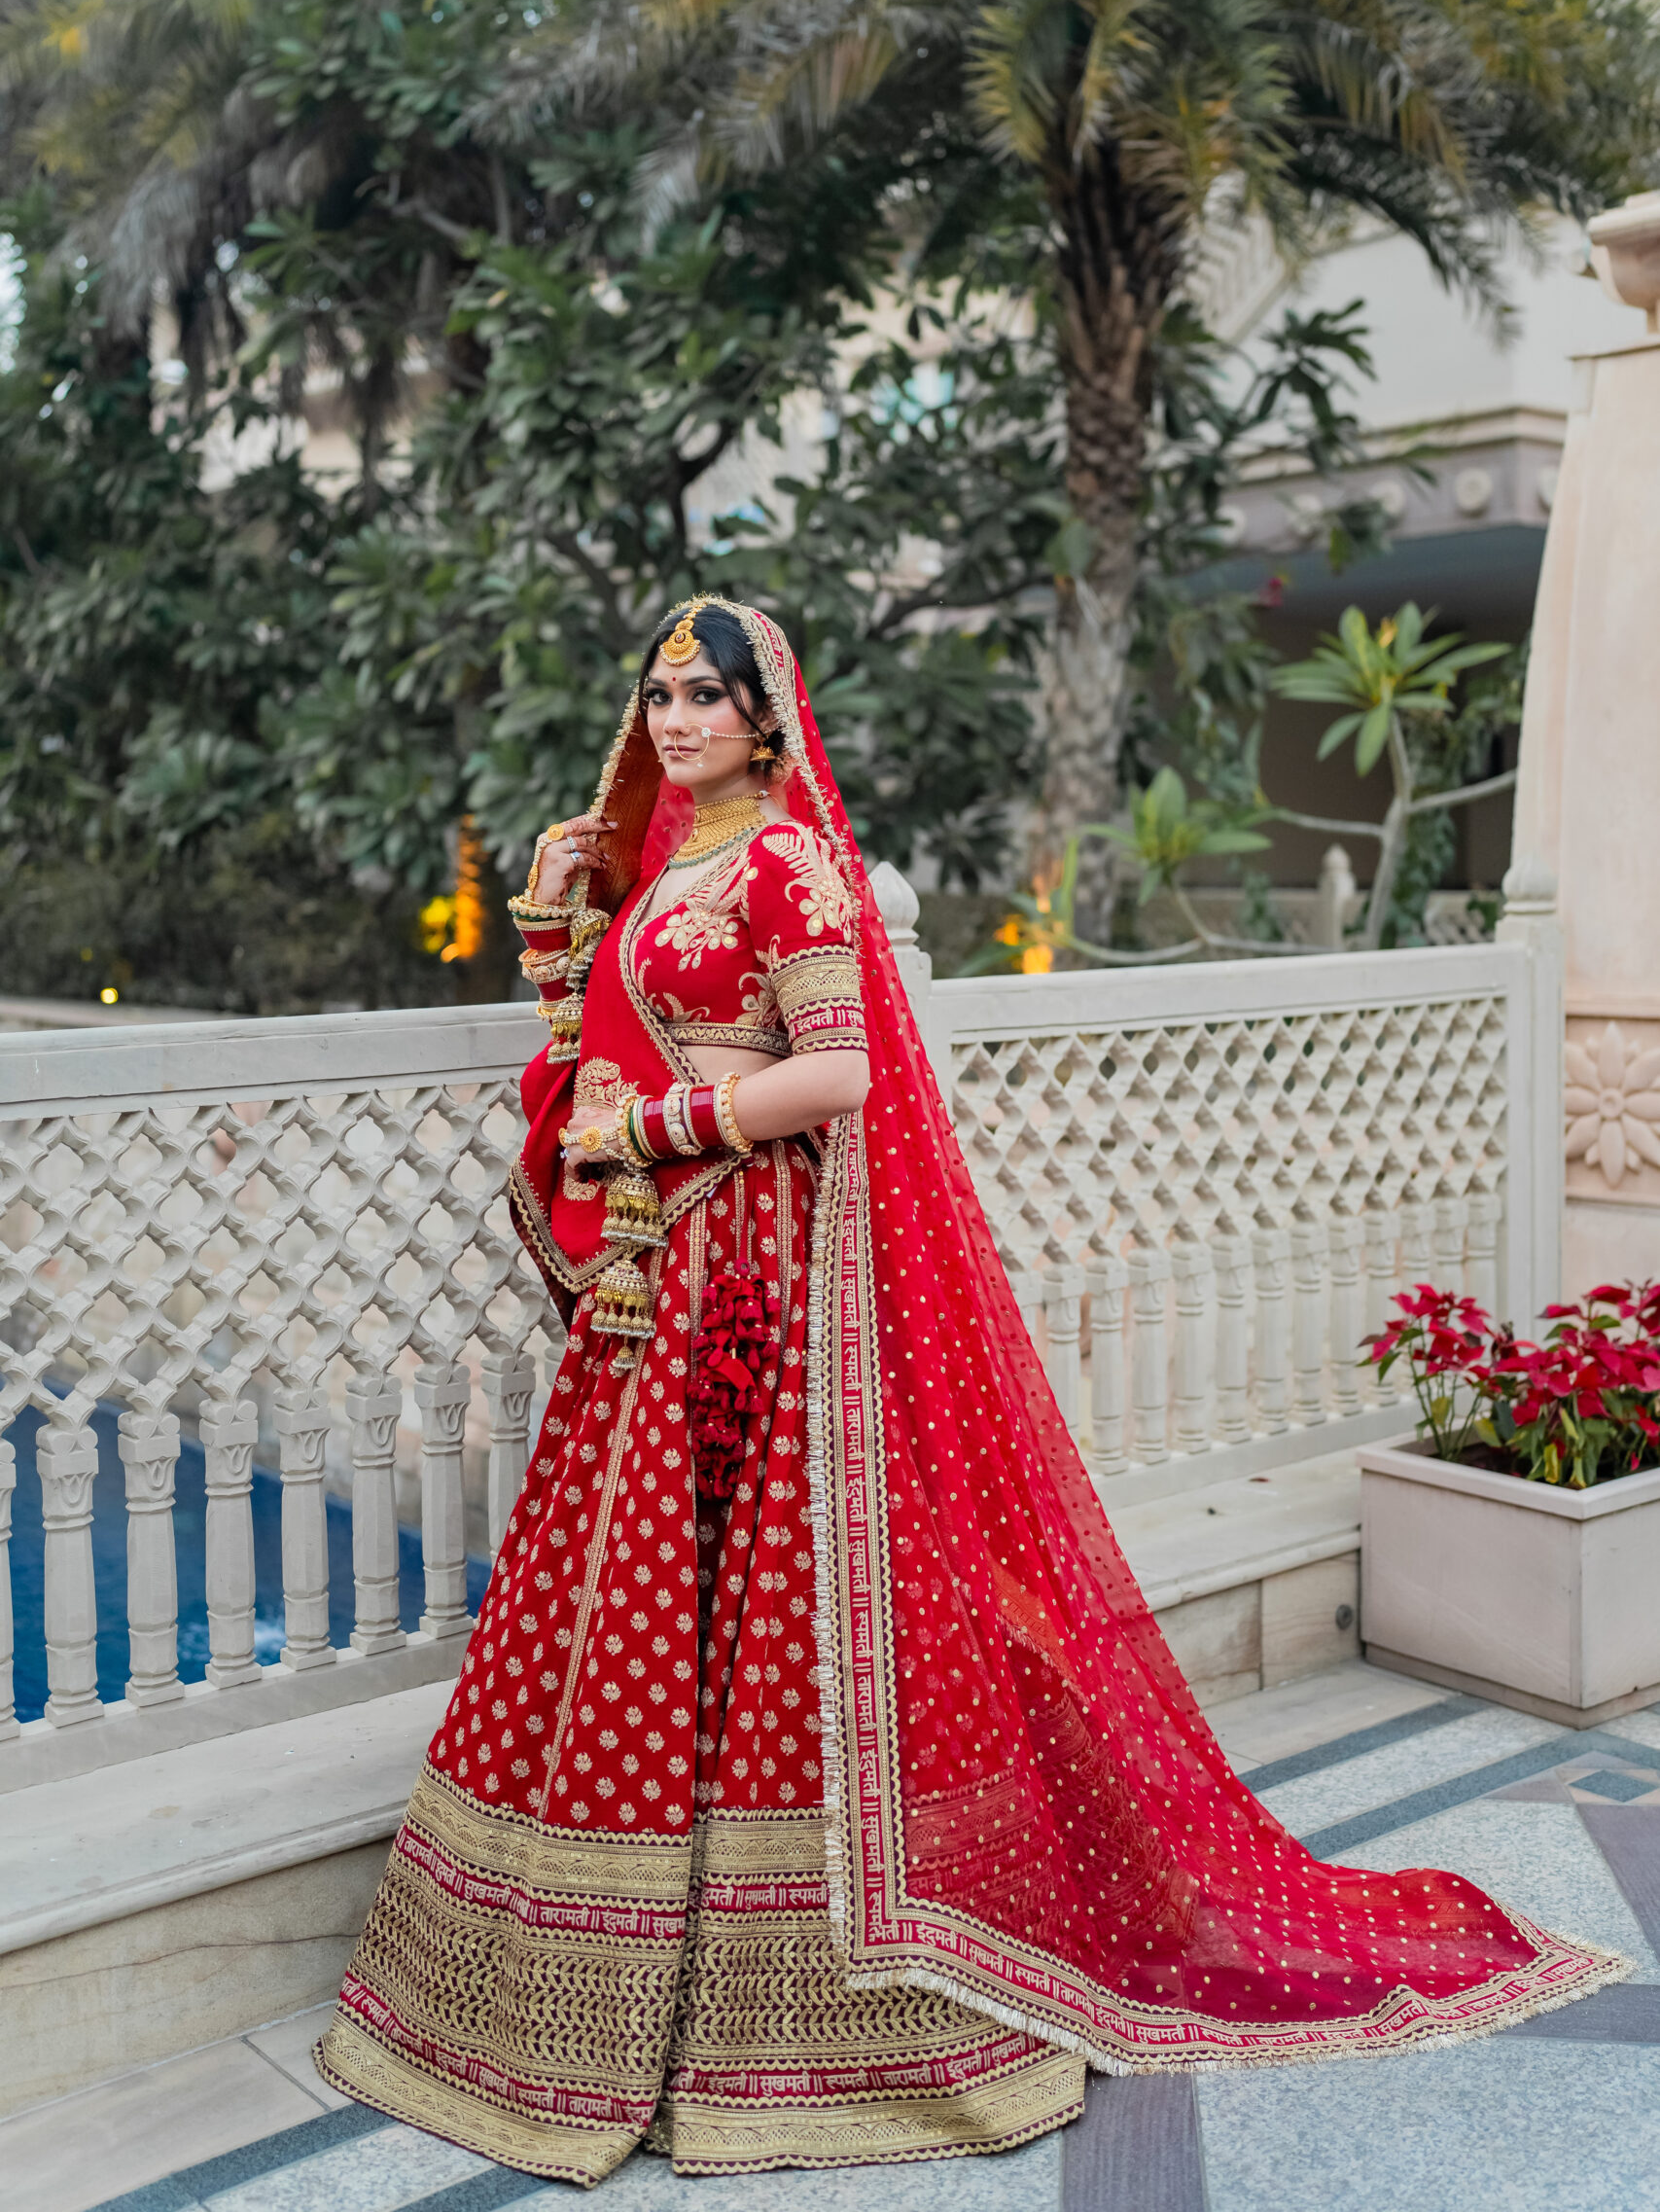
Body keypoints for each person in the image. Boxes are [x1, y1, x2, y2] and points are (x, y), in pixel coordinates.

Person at [316, 595, 1620, 2185]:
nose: (675, 720)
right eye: (659, 695)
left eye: (706, 695)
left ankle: (805, 2008)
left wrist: (657, 1130)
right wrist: (568, 939)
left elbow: (840, 1071)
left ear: (766, 715)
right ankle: (589, 1983)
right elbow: (618, 1032)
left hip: (753, 1270)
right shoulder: (669, 862)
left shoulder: (788, 863)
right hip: (666, 1278)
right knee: (649, 1589)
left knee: (778, 1598)